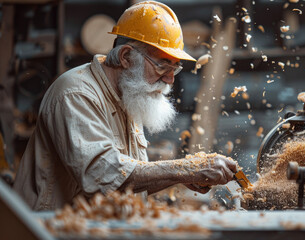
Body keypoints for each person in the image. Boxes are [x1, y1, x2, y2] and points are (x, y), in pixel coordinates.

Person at [13, 1, 237, 211]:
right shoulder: (75, 93)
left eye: (174, 68)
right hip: (45, 229)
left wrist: (182, 176)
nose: (170, 79)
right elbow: (102, 176)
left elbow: (125, 181)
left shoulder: (129, 93)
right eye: (162, 65)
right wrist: (186, 169)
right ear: (126, 57)